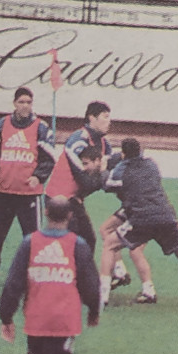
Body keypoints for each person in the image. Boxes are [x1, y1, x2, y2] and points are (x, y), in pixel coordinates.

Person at [99, 138, 178, 312]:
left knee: (110, 244)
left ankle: (102, 296)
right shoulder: (152, 164)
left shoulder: (122, 170)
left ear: (124, 154)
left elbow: (106, 184)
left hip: (141, 218)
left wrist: (104, 166)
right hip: (165, 216)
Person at [0, 196, 100, 354]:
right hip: (63, 321)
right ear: (70, 215)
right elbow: (91, 285)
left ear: (46, 212)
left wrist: (6, 316)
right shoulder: (78, 245)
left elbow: (13, 284)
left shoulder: (30, 243)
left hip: (36, 319)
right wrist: (94, 311)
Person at [0, 87, 55, 284]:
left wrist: (39, 176)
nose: (25, 106)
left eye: (29, 102)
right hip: (3, 190)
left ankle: (34, 273)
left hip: (29, 193)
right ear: (14, 103)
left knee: (33, 236)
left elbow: (49, 158)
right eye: (22, 102)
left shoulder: (41, 128)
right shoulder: (2, 124)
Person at [44, 101, 111, 254]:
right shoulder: (78, 141)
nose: (109, 121)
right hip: (58, 199)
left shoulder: (104, 143)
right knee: (70, 243)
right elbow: (87, 182)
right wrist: (103, 174)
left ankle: (79, 277)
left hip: (74, 199)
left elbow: (108, 172)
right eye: (105, 117)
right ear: (92, 118)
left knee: (87, 241)